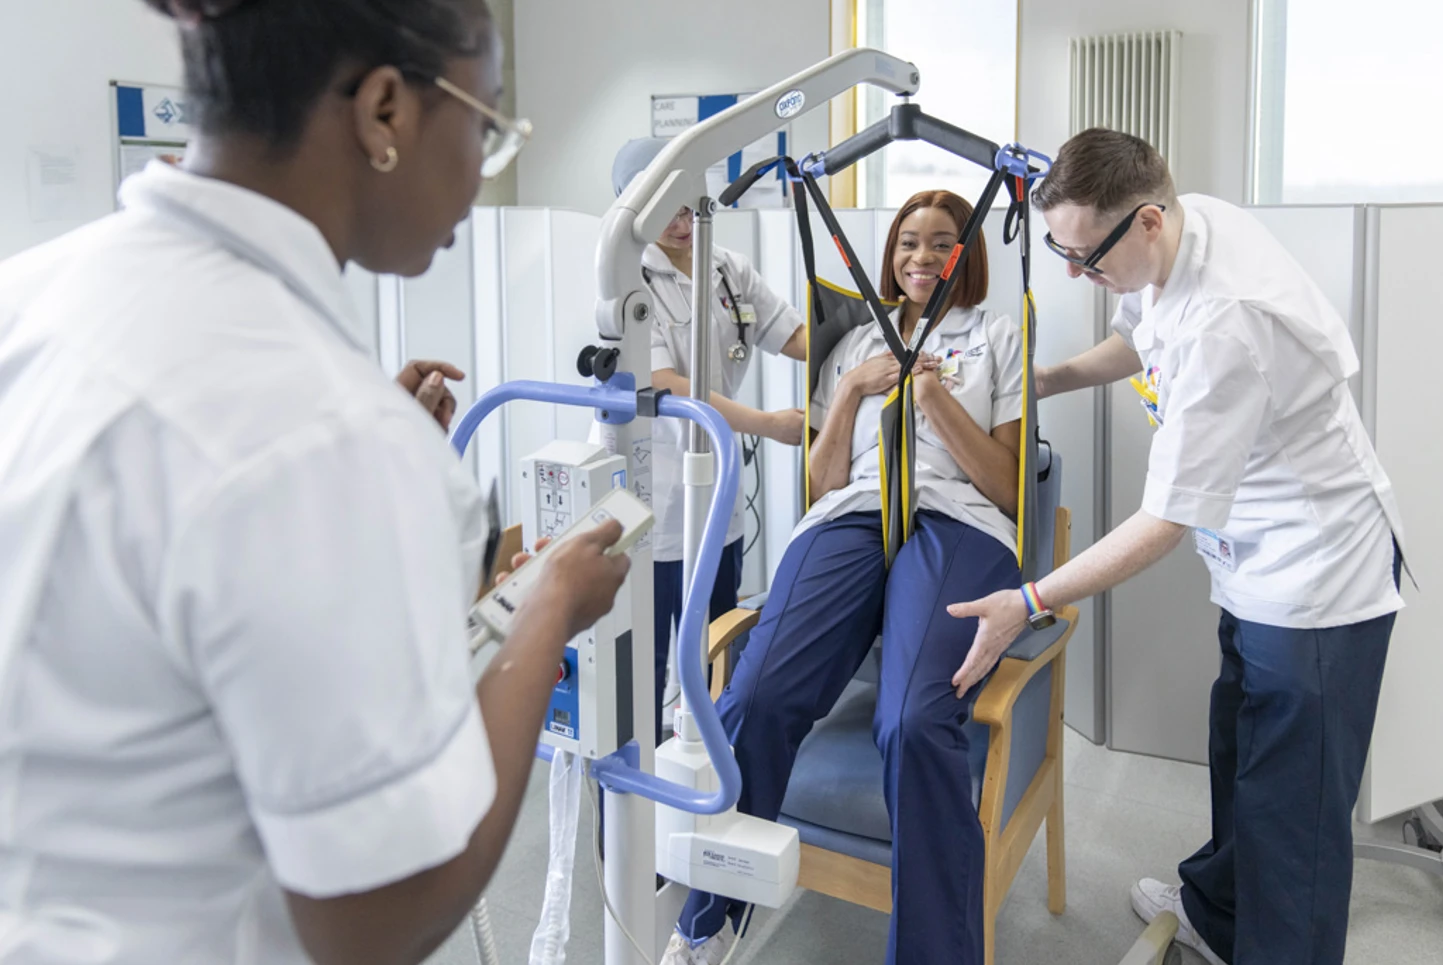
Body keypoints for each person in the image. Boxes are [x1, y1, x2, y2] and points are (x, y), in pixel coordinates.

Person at [0, 1, 630, 963]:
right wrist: (546, 611)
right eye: (489, 125)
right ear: (385, 111)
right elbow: (374, 918)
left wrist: (362, 498)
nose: (481, 172)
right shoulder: (325, 436)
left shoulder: (32, 293)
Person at [948, 128, 1407, 965]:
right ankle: (1219, 916)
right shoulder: (1178, 238)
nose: (1073, 272)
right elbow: (1138, 337)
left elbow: (1163, 522)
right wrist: (1047, 380)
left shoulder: (1226, 320)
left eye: (1085, 256)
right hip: (1251, 564)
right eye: (1060, 248)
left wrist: (1029, 601)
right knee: (1238, 752)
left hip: (1315, 580)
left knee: (1292, 815)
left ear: (1148, 221)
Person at [661, 190, 1026, 965]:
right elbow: (823, 482)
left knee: (915, 724)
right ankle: (710, 920)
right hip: (852, 514)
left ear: (967, 255)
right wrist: (856, 388)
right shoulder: (855, 340)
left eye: (939, 244)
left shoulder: (995, 335)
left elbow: (1007, 485)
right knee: (755, 695)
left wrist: (931, 396)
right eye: (906, 244)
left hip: (957, 519)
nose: (921, 259)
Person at [609, 137, 807, 735]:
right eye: (660, 207)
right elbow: (667, 385)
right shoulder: (624, 282)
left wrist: (870, 349)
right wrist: (771, 425)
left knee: (722, 637)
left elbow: (793, 335)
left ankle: (720, 757)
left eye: (684, 201)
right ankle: (637, 773)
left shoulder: (725, 267)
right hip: (653, 498)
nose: (678, 220)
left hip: (716, 493)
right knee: (650, 655)